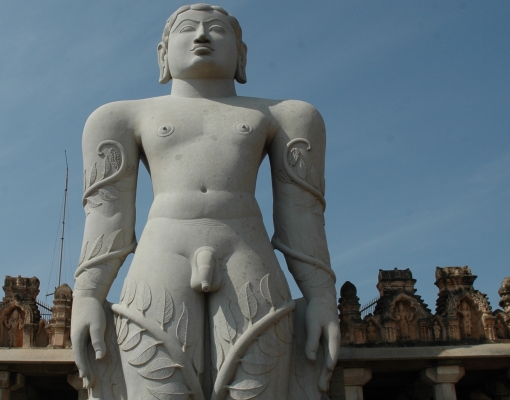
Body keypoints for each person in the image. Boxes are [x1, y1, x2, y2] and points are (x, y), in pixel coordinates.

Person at [71, 4, 338, 399]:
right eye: (187, 29)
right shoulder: (117, 118)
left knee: (254, 386)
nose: (201, 36)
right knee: (159, 384)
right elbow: (107, 212)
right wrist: (88, 295)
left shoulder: (287, 116)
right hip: (163, 251)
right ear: (162, 54)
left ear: (241, 55)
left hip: (246, 250)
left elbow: (302, 212)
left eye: (216, 29)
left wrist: (321, 297)